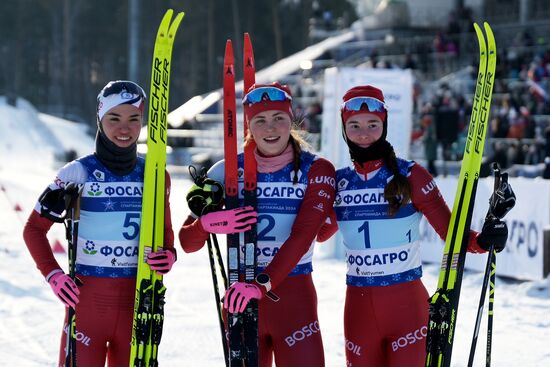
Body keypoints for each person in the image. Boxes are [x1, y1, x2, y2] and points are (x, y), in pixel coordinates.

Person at [329, 85, 509, 366]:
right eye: (354, 125)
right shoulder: (337, 183)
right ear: (343, 127)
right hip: (359, 310)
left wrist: (484, 240)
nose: (364, 133)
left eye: (372, 124)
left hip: (407, 310)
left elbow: (452, 234)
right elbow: (314, 235)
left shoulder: (412, 175)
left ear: (384, 124)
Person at [179, 82, 336, 366]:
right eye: (260, 120)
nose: (271, 128)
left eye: (279, 118)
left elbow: (304, 236)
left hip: (293, 299)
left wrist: (261, 285)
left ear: (292, 120)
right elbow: (187, 243)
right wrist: (206, 224)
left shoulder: (317, 169)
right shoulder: (226, 170)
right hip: (241, 297)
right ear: (249, 125)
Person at [22, 80, 176, 367]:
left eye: (134, 119)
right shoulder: (78, 173)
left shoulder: (155, 175)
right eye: (114, 118)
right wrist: (53, 275)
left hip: (137, 305)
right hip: (87, 305)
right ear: (99, 119)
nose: (124, 128)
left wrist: (169, 255)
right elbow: (33, 229)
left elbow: (166, 235)